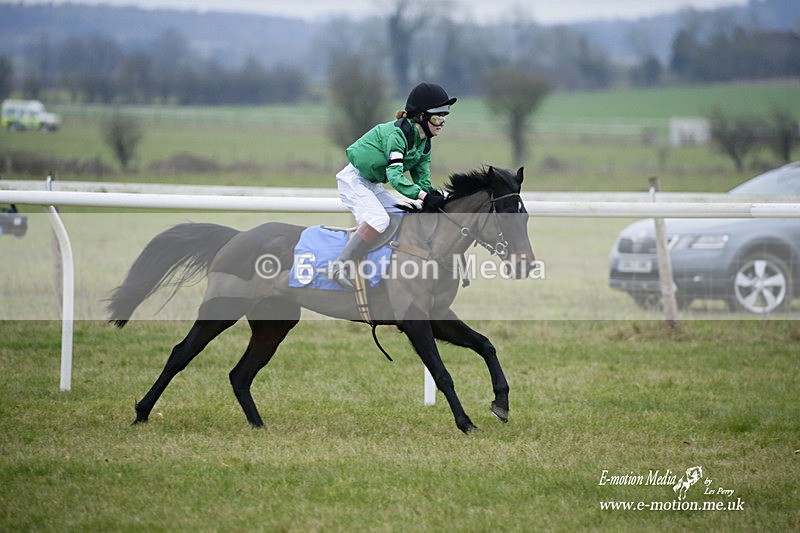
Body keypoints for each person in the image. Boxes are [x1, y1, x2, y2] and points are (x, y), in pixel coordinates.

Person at [330, 82, 456, 290]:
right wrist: (423, 197)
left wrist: (431, 194)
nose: (442, 122)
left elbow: (422, 178)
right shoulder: (397, 136)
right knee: (378, 219)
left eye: (444, 116)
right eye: (437, 117)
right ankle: (340, 266)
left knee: (400, 217)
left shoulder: (425, 142)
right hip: (353, 181)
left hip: (372, 183)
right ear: (421, 117)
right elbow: (395, 177)